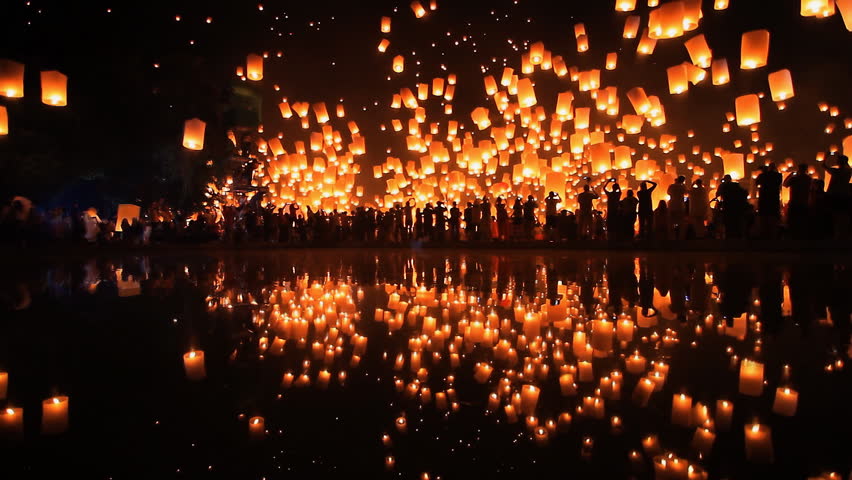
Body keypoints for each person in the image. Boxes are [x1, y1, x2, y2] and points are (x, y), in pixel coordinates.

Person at [823, 154, 851, 239]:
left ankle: (837, 234)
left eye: (838, 160)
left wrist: (826, 156)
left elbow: (823, 166)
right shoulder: (849, 171)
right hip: (845, 194)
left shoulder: (836, 171)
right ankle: (843, 234)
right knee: (844, 215)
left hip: (835, 195)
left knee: (836, 215)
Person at [783, 164, 812, 239]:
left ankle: (793, 237)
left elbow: (785, 184)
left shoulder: (795, 179)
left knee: (793, 221)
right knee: (802, 222)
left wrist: (790, 175)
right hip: (804, 202)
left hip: (794, 202)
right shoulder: (808, 179)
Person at [755, 163, 782, 239]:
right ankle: (773, 235)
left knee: (764, 218)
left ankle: (764, 235)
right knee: (773, 217)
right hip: (774, 198)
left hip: (764, 198)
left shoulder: (762, 176)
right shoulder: (778, 176)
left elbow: (757, 183)